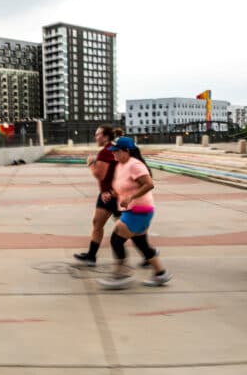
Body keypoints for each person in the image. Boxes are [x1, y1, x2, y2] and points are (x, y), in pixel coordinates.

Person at [97, 136, 173, 289]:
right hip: (131, 210)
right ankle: (160, 274)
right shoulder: (121, 165)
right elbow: (123, 186)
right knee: (141, 244)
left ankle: (121, 275)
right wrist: (111, 193)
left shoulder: (136, 165)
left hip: (140, 210)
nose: (114, 154)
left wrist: (131, 197)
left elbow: (149, 184)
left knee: (116, 240)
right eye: (113, 151)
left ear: (127, 151)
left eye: (117, 151)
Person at [73, 124, 119, 267]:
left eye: (98, 134)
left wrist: (91, 163)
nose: (95, 136)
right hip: (112, 193)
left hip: (110, 195)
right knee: (98, 223)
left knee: (126, 228)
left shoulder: (106, 152)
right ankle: (91, 256)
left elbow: (99, 174)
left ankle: (149, 253)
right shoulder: (112, 149)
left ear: (105, 137)